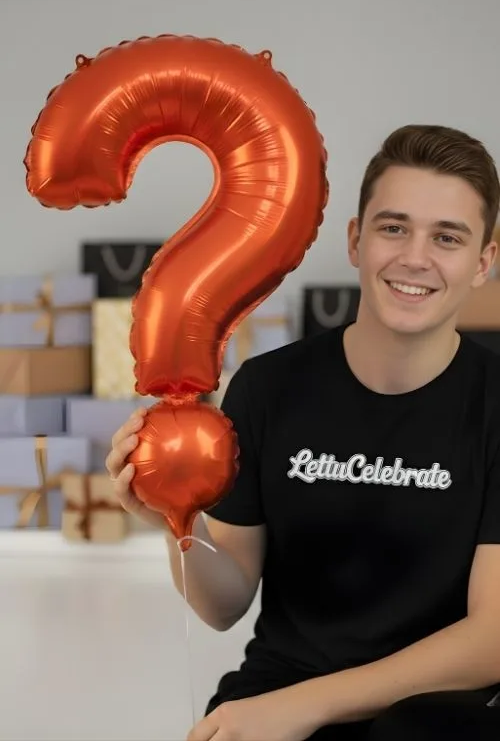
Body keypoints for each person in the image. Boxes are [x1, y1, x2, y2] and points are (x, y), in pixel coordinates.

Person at [106, 124, 500, 741]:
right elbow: (223, 602)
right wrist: (174, 523)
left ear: (483, 264)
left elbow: (491, 641)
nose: (415, 257)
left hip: (439, 709)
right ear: (355, 240)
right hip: (278, 687)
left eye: (446, 238)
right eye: (393, 227)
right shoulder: (267, 388)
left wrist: (303, 707)